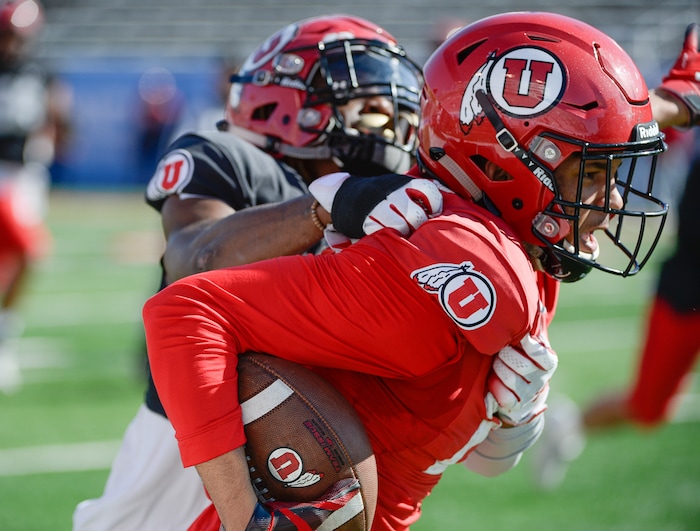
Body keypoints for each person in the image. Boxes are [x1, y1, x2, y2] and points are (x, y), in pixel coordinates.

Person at [142, 12, 688, 531]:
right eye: (594, 171)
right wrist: (245, 518)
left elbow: (461, 455)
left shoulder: (528, 263)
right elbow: (186, 293)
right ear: (508, 161)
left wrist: (515, 424)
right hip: (184, 442)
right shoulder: (468, 265)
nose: (614, 201)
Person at [72, 14, 435, 531]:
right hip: (188, 456)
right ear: (291, 100)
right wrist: (325, 207)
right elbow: (194, 254)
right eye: (370, 105)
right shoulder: (230, 158)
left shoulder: (389, 196)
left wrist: (499, 418)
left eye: (393, 108)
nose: (390, 122)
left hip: (325, 449)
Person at [0, 0, 72, 394]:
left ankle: (4, 335)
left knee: (15, 259)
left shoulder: (40, 72)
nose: (13, 42)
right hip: (5, 176)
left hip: (24, 175)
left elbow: (58, 116)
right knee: (30, 250)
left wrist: (55, 133)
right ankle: (5, 334)